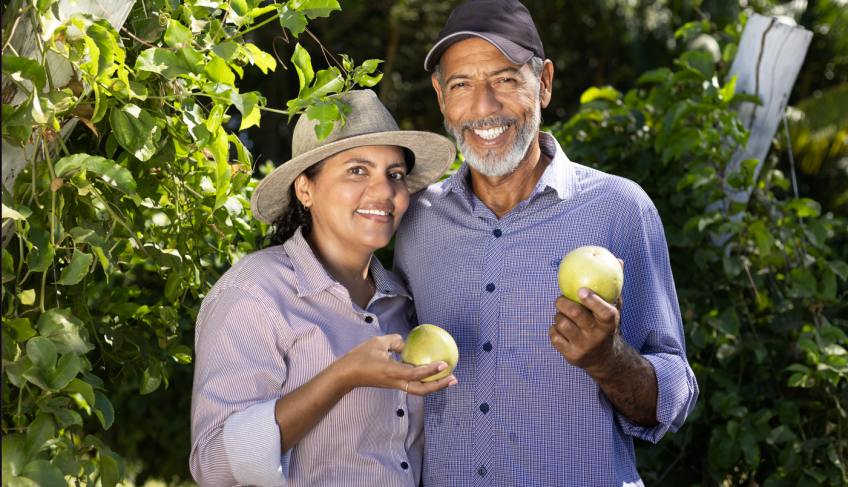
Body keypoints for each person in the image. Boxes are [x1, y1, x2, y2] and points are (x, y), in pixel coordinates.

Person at [393, 1, 699, 485]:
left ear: (546, 83)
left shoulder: (619, 209)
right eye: (461, 85)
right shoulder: (415, 222)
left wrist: (609, 360)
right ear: (440, 96)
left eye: (506, 79)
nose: (484, 106)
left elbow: (675, 398)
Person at [190, 90, 458, 487]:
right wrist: (341, 376)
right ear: (305, 189)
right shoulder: (254, 294)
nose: (384, 191)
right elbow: (213, 463)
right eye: (357, 170)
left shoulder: (401, 302)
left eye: (395, 174)